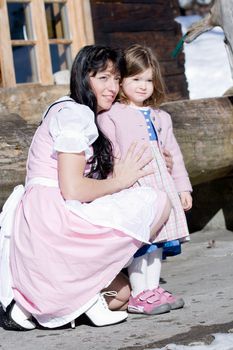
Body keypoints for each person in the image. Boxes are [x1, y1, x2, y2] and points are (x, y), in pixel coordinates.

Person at [0, 45, 172, 331]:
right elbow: (73, 189)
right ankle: (53, 302)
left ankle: (60, 302)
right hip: (53, 222)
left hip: (44, 219)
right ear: (83, 76)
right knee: (154, 200)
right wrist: (121, 181)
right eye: (103, 78)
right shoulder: (74, 114)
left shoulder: (74, 110)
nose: (113, 87)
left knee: (120, 296)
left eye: (117, 79)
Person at [98, 44, 193, 315]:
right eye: (135, 79)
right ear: (121, 81)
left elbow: (173, 153)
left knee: (158, 244)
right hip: (134, 187)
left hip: (162, 186)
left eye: (148, 80)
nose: (143, 86)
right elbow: (110, 154)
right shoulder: (111, 115)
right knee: (142, 242)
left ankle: (151, 289)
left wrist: (182, 188)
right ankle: (139, 293)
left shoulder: (161, 117)